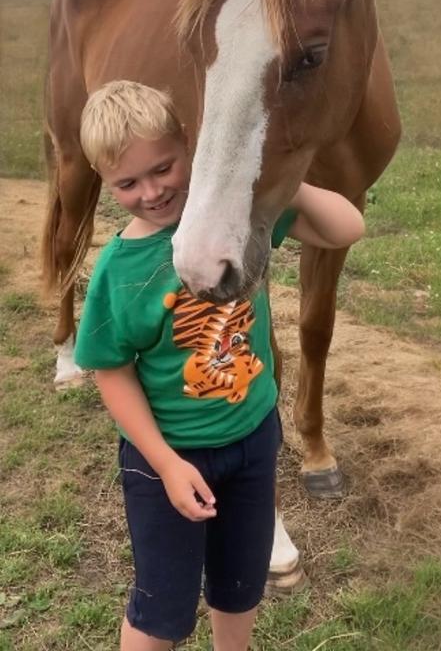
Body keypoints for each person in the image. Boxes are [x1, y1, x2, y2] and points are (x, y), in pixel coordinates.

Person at [75, 80, 365, 651]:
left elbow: (345, 228)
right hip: (172, 460)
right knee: (162, 608)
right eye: (126, 183)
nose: (152, 191)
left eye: (163, 167)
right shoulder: (120, 270)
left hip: (255, 441)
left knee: (240, 586)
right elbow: (112, 371)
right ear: (104, 182)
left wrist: (281, 185)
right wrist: (164, 464)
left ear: (192, 146)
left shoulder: (243, 219)